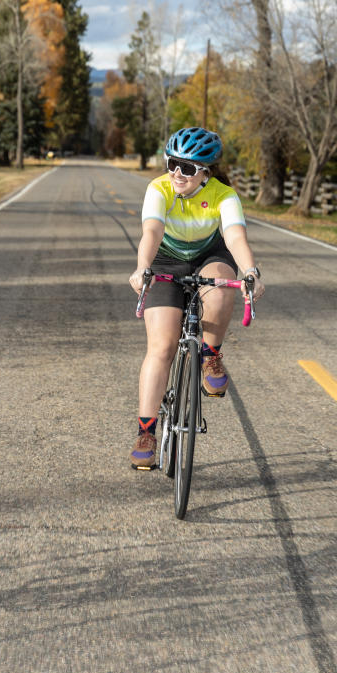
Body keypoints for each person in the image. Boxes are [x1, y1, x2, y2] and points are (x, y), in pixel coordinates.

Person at [126, 126, 265, 468]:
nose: (177, 173)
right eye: (172, 164)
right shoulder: (159, 188)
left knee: (221, 286)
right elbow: (152, 231)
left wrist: (250, 272)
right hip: (165, 259)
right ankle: (146, 433)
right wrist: (142, 268)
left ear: (206, 172)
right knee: (161, 347)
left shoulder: (224, 195)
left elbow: (235, 236)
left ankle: (210, 355)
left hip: (209, 256)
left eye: (187, 168)